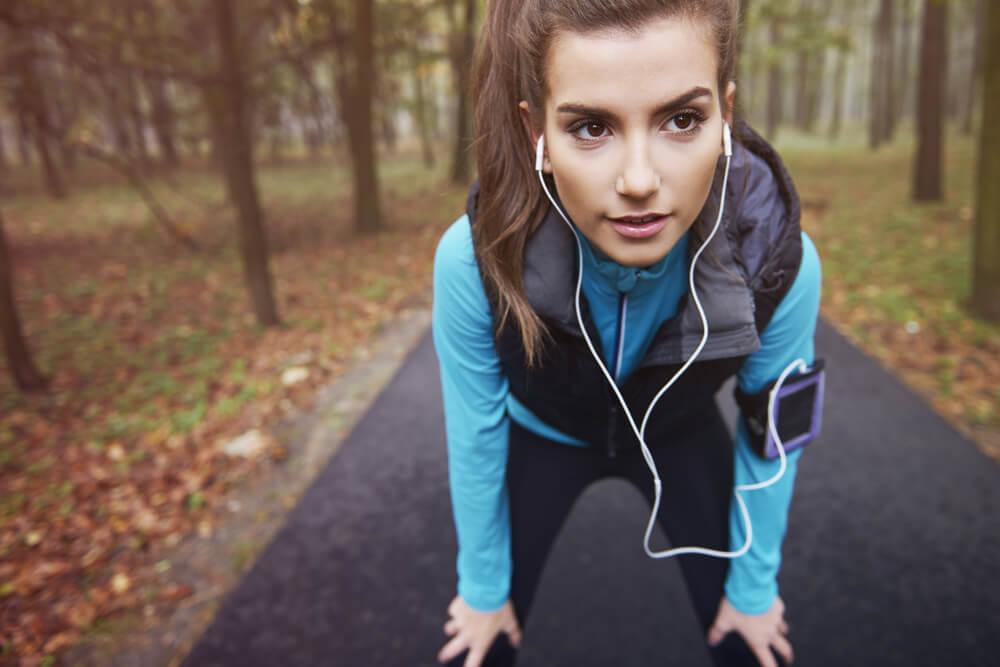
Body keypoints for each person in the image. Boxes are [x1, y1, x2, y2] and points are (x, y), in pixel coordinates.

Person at [432, 1, 822, 665]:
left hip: (680, 432)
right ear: (538, 135)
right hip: (543, 434)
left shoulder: (778, 263)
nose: (640, 181)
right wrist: (481, 587)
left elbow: (775, 436)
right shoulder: (475, 260)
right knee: (478, 641)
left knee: (754, 647)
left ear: (725, 119)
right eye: (590, 127)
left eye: (682, 119)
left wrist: (754, 591)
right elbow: (474, 434)